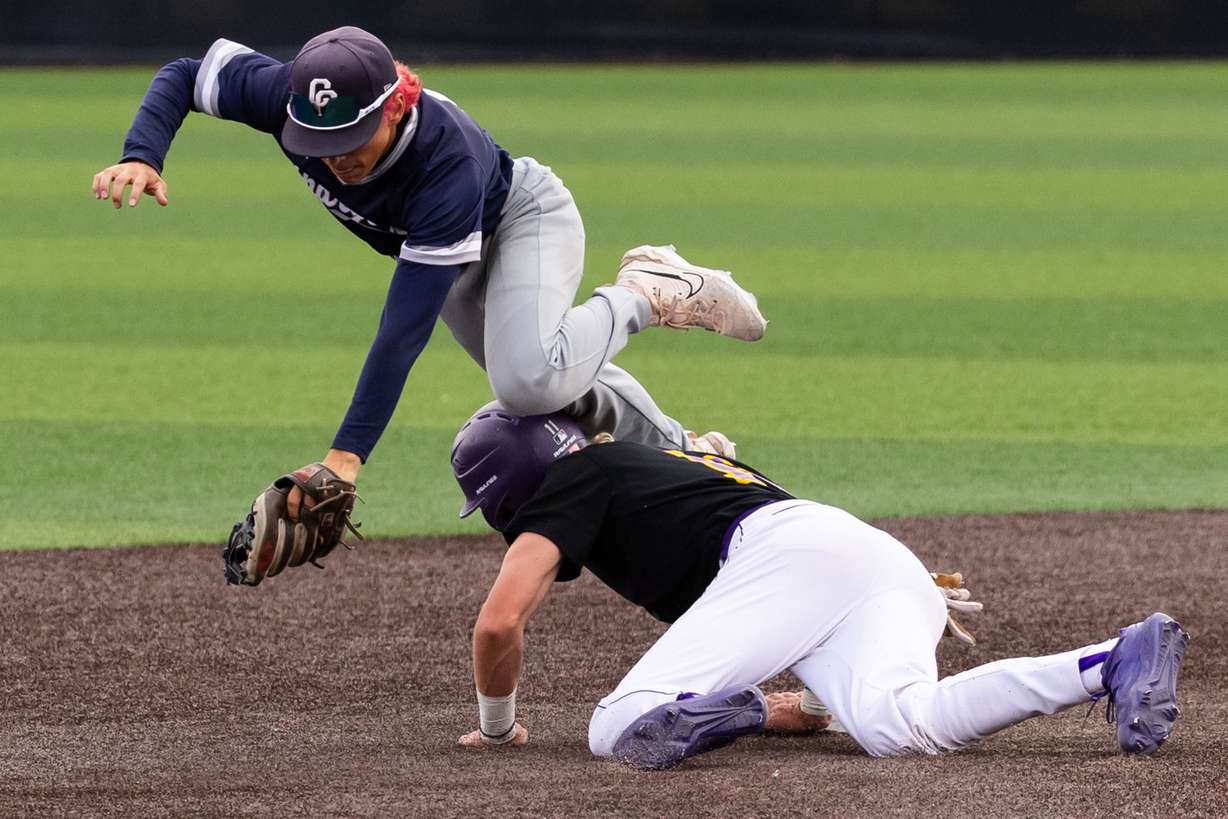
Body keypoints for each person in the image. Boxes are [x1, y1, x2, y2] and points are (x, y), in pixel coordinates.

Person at [91, 25, 764, 520]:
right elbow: (184, 72)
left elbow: (402, 327)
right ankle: (691, 450)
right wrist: (143, 154)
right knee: (558, 375)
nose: (334, 159)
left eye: (348, 139)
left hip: (521, 220)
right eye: (317, 143)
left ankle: (645, 291)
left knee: (527, 378)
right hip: (441, 247)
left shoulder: (445, 161)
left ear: (391, 108)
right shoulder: (288, 94)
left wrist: (345, 457)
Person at [448, 404, 1189, 768]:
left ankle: (725, 707)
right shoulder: (648, 465)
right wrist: (779, 709)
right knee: (903, 726)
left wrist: (496, 725)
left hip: (786, 556)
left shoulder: (572, 479)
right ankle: (1111, 659)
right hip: (868, 555)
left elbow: (498, 622)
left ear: (508, 492)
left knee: (616, 727)